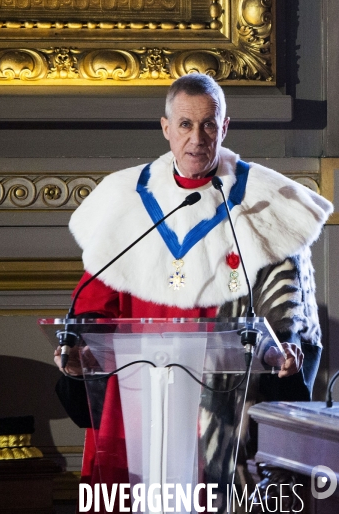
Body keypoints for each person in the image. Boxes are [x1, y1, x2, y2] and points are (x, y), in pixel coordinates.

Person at [54, 73, 332, 509]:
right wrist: (75, 358)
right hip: (139, 411)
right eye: (185, 124)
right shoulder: (126, 202)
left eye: (208, 124)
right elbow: (92, 312)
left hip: (225, 422)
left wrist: (285, 361)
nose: (197, 138)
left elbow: (288, 327)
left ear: (225, 127)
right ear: (165, 127)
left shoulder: (264, 205)